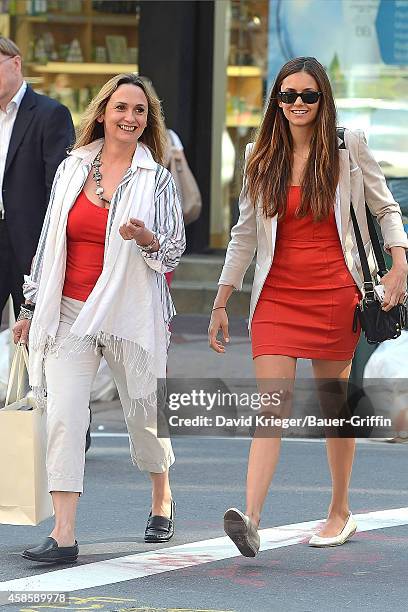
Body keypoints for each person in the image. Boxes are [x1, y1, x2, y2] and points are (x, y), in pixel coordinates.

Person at [208, 57, 408, 556]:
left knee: (333, 406)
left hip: (334, 292)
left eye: (308, 95)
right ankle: (250, 519)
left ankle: (340, 510)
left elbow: (385, 207)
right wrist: (222, 299)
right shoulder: (259, 155)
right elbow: (244, 235)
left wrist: (399, 266)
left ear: (323, 101)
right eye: (288, 95)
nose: (298, 103)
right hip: (276, 294)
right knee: (269, 408)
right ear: (276, 101)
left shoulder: (347, 147)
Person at [13, 73, 186, 563]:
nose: (130, 118)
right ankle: (64, 534)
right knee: (65, 418)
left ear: (147, 121)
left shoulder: (156, 180)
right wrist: (30, 306)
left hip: (128, 313)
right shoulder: (72, 168)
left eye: (140, 111)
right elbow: (48, 245)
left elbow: (173, 252)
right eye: (121, 108)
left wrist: (147, 239)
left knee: (146, 417)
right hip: (68, 312)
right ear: (103, 113)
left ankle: (161, 496)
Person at [0, 36, 74, 324]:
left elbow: (59, 189)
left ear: (16, 63)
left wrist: (47, 249)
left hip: (31, 244)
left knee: (34, 339)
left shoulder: (50, 114)